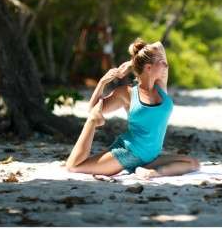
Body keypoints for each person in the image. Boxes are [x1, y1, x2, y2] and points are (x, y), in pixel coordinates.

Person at [65, 38, 200, 179]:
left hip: (150, 156)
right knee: (74, 167)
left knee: (193, 163)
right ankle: (92, 123)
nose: (166, 66)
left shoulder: (160, 86)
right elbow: (94, 108)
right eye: (162, 63)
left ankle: (148, 172)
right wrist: (102, 83)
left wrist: (132, 63)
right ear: (148, 67)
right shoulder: (128, 92)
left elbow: (158, 45)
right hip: (128, 153)